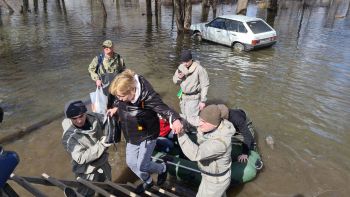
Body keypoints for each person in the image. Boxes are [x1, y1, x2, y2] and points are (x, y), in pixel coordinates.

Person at [108, 69, 183, 194]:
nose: (119, 99)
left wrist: (175, 120)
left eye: (121, 97)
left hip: (147, 134)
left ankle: (162, 168)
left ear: (131, 91)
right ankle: (148, 181)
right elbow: (120, 102)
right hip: (131, 134)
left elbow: (164, 109)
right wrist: (115, 108)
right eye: (117, 96)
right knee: (131, 163)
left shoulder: (148, 96)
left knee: (143, 165)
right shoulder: (122, 96)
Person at [176, 104, 235, 197]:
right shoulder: (211, 123)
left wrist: (180, 133)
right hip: (209, 176)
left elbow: (195, 154)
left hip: (215, 182)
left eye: (203, 122)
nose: (200, 123)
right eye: (200, 119)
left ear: (214, 124)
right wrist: (175, 116)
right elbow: (191, 119)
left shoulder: (221, 142)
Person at [61, 100, 112, 197]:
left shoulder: (93, 117)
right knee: (85, 194)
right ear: (69, 118)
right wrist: (102, 144)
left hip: (103, 163)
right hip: (87, 171)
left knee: (108, 188)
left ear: (85, 113)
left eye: (81, 116)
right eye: (74, 118)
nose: (79, 121)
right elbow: (80, 158)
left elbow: (106, 121)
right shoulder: (68, 137)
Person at [172, 50, 209, 127]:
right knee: (184, 117)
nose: (185, 64)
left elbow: (205, 85)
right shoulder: (180, 68)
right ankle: (186, 131)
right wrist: (179, 78)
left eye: (187, 61)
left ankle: (197, 133)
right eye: (183, 62)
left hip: (194, 98)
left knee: (193, 119)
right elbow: (175, 81)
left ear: (191, 59)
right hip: (183, 97)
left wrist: (203, 101)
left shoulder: (199, 69)